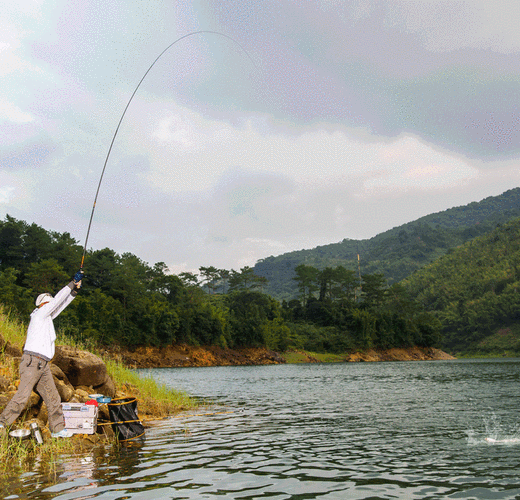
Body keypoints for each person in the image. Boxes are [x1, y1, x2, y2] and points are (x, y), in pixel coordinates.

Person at [0, 270, 84, 438]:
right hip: (32, 362)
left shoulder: (45, 317)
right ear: (44, 304)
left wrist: (74, 291)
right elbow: (58, 301)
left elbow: (60, 305)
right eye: (50, 303)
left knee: (53, 396)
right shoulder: (39, 315)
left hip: (42, 364)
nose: (53, 305)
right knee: (22, 396)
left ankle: (58, 429)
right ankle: (2, 423)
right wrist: (71, 282)